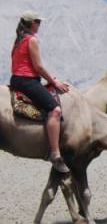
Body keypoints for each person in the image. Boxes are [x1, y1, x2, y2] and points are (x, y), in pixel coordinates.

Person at [10, 10, 70, 173]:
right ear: (31, 23)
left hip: (17, 79)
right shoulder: (31, 40)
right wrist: (53, 81)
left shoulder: (19, 40)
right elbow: (39, 67)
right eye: (38, 22)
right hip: (26, 81)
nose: (39, 25)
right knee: (55, 110)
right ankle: (55, 154)